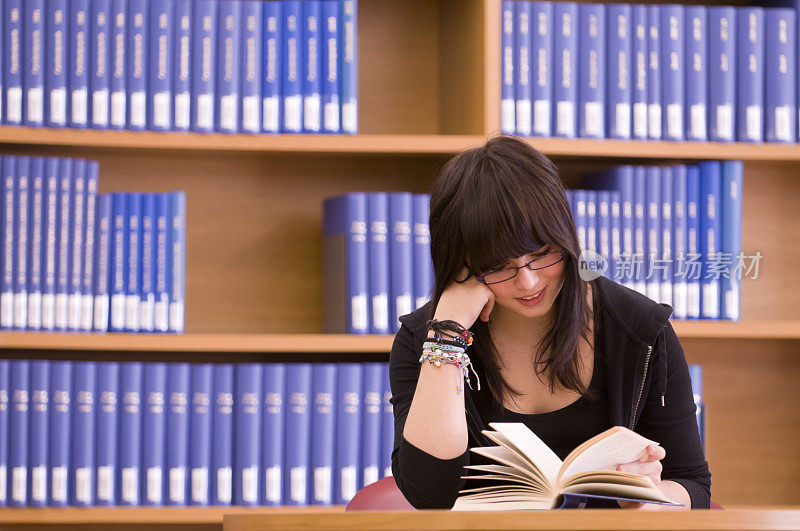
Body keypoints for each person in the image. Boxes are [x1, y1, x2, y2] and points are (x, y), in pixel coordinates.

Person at [388, 136, 711, 510]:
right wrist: (448, 335)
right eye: (498, 267)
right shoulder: (423, 338)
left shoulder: (638, 329)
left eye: (542, 254)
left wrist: (646, 498)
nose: (529, 282)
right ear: (462, 263)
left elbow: (692, 486)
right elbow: (430, 495)